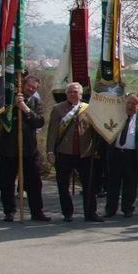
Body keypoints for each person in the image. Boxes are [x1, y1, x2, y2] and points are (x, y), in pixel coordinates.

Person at [0, 74, 48, 221]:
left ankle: (37, 212)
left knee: (34, 183)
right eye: (29, 86)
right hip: (9, 149)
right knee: (7, 183)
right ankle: (9, 211)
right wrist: (11, 106)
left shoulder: (36, 102)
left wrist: (25, 108)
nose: (31, 89)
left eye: (34, 88)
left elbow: (40, 122)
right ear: (22, 85)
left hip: (29, 150)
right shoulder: (8, 100)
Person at [46, 81, 101, 222]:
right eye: (69, 91)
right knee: (63, 185)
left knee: (89, 186)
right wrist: (50, 152)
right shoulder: (58, 109)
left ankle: (90, 213)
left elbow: (96, 131)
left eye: (75, 92)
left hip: (85, 154)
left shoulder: (88, 109)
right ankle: (67, 213)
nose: (72, 94)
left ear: (81, 94)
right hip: (64, 153)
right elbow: (52, 132)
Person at [105, 93, 138, 218]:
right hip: (116, 154)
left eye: (134, 103)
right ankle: (110, 209)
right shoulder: (116, 115)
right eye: (128, 103)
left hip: (133, 155)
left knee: (131, 183)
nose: (130, 106)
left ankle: (128, 208)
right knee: (112, 183)